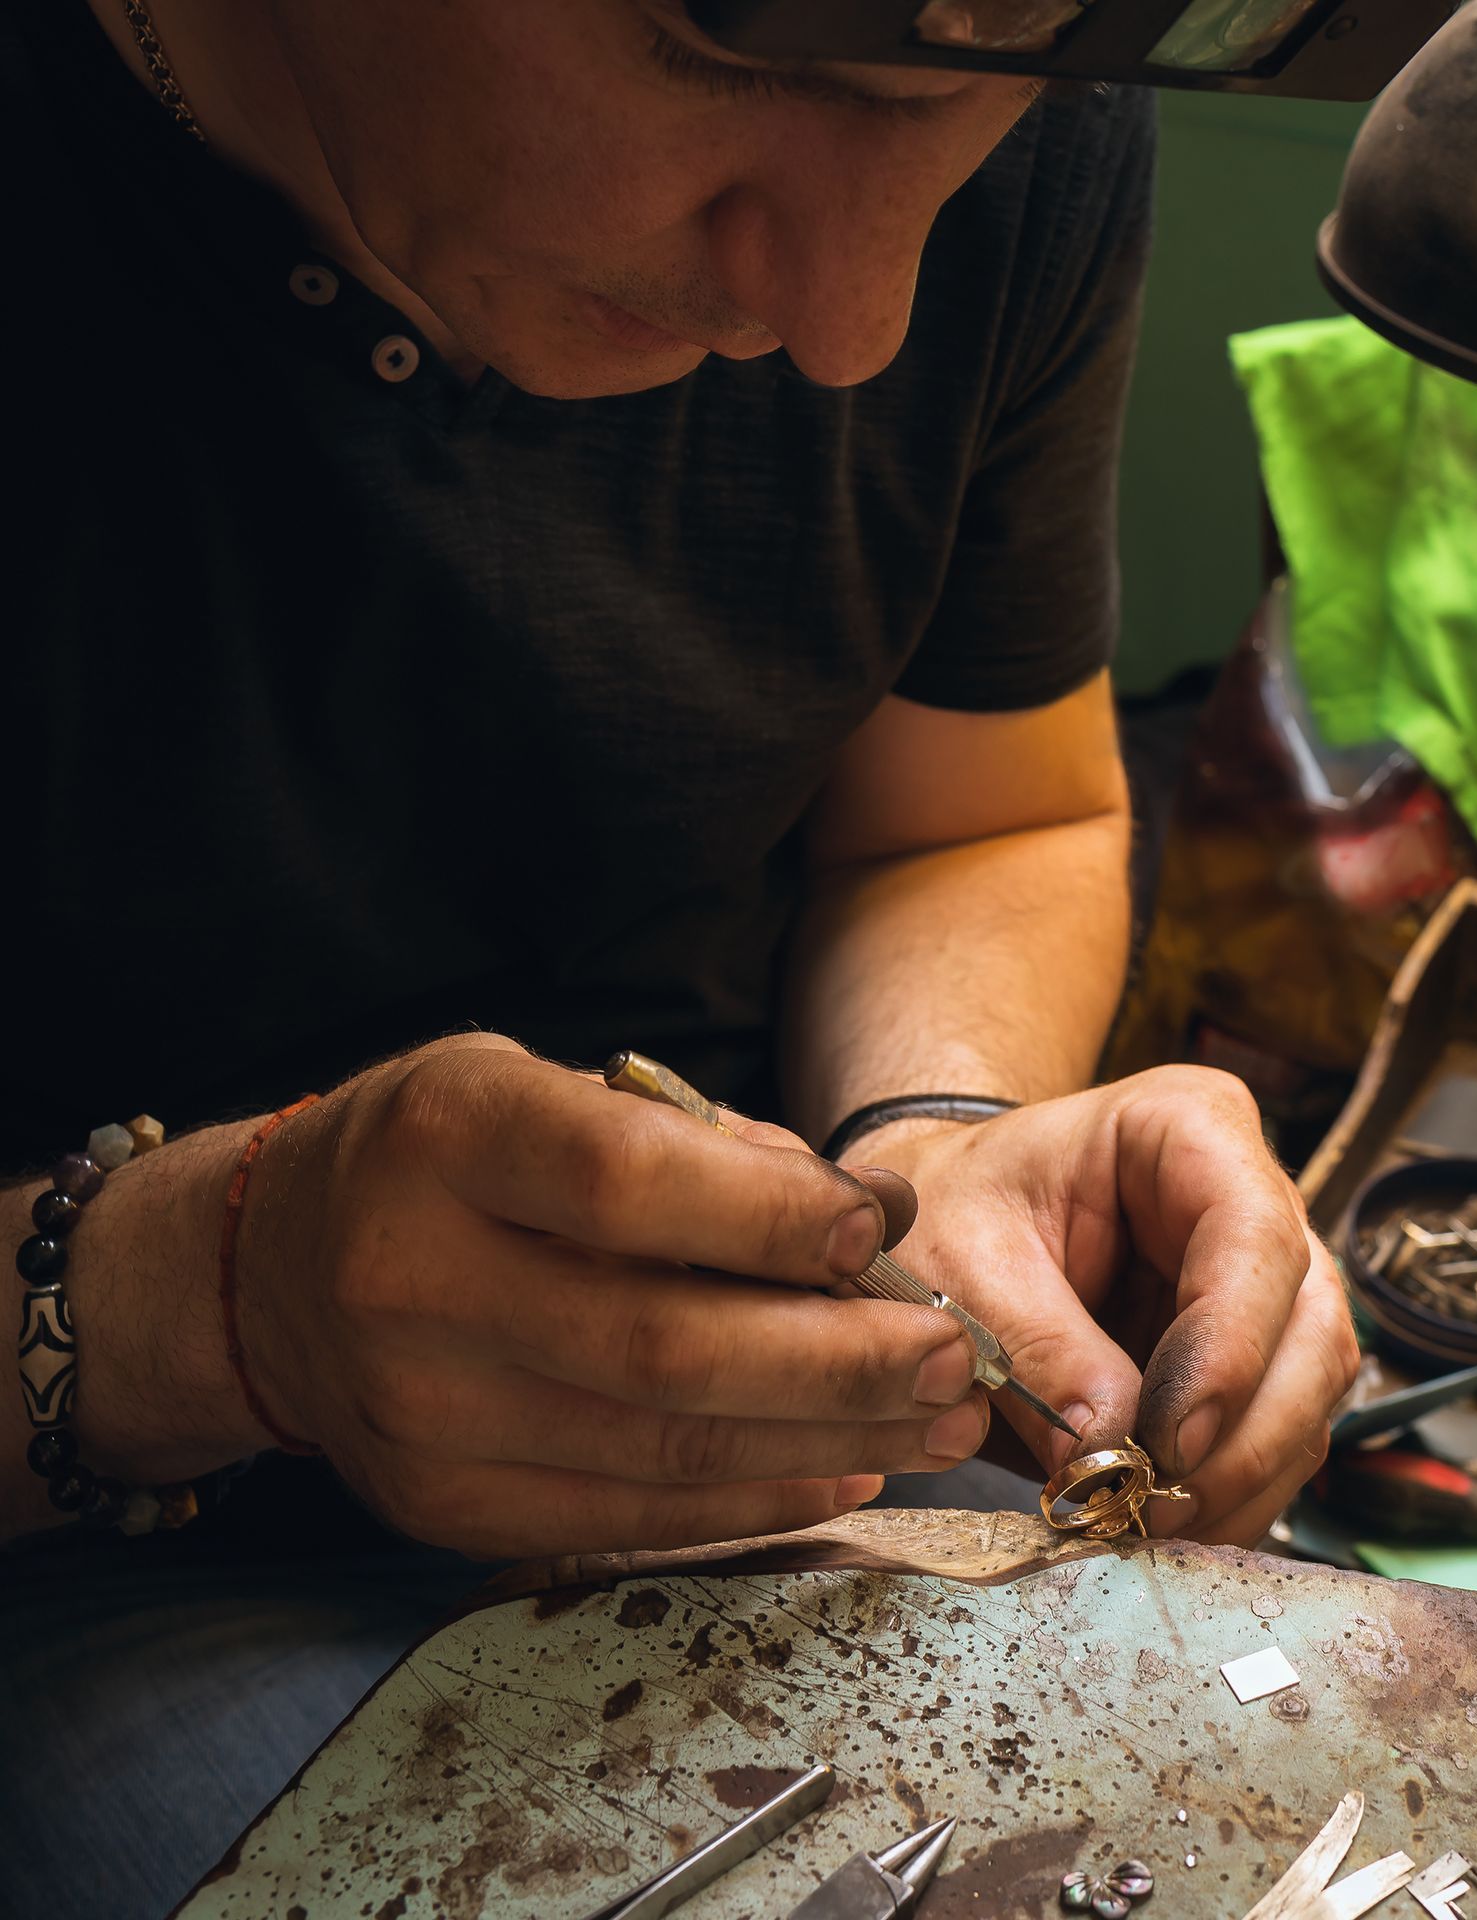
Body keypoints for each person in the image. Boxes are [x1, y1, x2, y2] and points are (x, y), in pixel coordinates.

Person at [2, 2, 1358, 1912]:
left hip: (767, 1444)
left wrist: (939, 1137)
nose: (854, 322)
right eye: (738, 73)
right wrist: (215, 1305)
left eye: (962, 114)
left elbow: (981, 819)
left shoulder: (1017, 90)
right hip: (80, 1530)